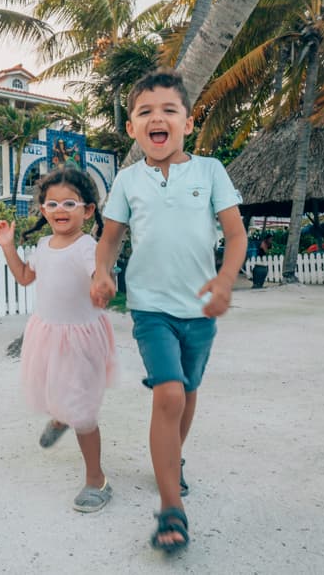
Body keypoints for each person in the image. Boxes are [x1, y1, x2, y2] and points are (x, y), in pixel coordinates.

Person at [90, 69, 246, 554]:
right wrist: (102, 272)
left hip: (200, 309)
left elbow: (236, 235)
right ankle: (170, 508)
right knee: (169, 394)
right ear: (133, 128)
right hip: (150, 308)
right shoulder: (127, 179)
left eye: (168, 110)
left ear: (188, 121)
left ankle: (171, 460)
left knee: (189, 392)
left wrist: (224, 281)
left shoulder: (210, 171)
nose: (157, 118)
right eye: (144, 112)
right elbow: (110, 238)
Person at [0, 166, 118, 513]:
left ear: (88, 210)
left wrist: (104, 286)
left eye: (70, 203)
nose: (60, 210)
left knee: (83, 413)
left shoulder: (86, 246)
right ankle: (61, 416)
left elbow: (102, 276)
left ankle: (97, 480)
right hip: (47, 334)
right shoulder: (44, 245)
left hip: (81, 340)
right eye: (52, 204)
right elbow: (23, 277)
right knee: (55, 389)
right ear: (43, 210)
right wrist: (8, 246)